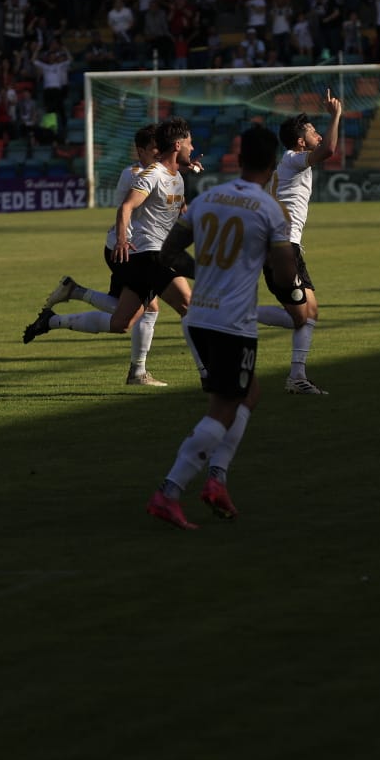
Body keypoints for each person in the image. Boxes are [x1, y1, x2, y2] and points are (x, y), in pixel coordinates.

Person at [144, 124, 303, 530]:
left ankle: (217, 479)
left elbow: (168, 253)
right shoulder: (271, 209)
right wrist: (268, 264)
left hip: (198, 318)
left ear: (237, 158)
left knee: (247, 395)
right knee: (224, 407)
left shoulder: (208, 198)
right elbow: (285, 277)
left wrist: (207, 269)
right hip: (233, 323)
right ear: (271, 165)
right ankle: (170, 490)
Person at [23, 118, 195, 381]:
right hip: (127, 249)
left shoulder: (167, 173)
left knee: (123, 320)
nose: (157, 155)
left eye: (159, 150)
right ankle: (162, 371)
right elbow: (132, 202)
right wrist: (124, 240)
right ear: (141, 151)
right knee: (164, 307)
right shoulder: (136, 174)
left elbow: (173, 199)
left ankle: (64, 307)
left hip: (140, 248)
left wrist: (182, 166)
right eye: (153, 150)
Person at [255, 91, 342, 395]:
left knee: (310, 314)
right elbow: (330, 149)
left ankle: (297, 377)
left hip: (286, 247)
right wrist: (335, 117)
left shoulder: (289, 164)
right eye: (312, 131)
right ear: (301, 142)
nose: (317, 134)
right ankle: (238, 314)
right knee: (301, 316)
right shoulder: (293, 159)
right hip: (281, 249)